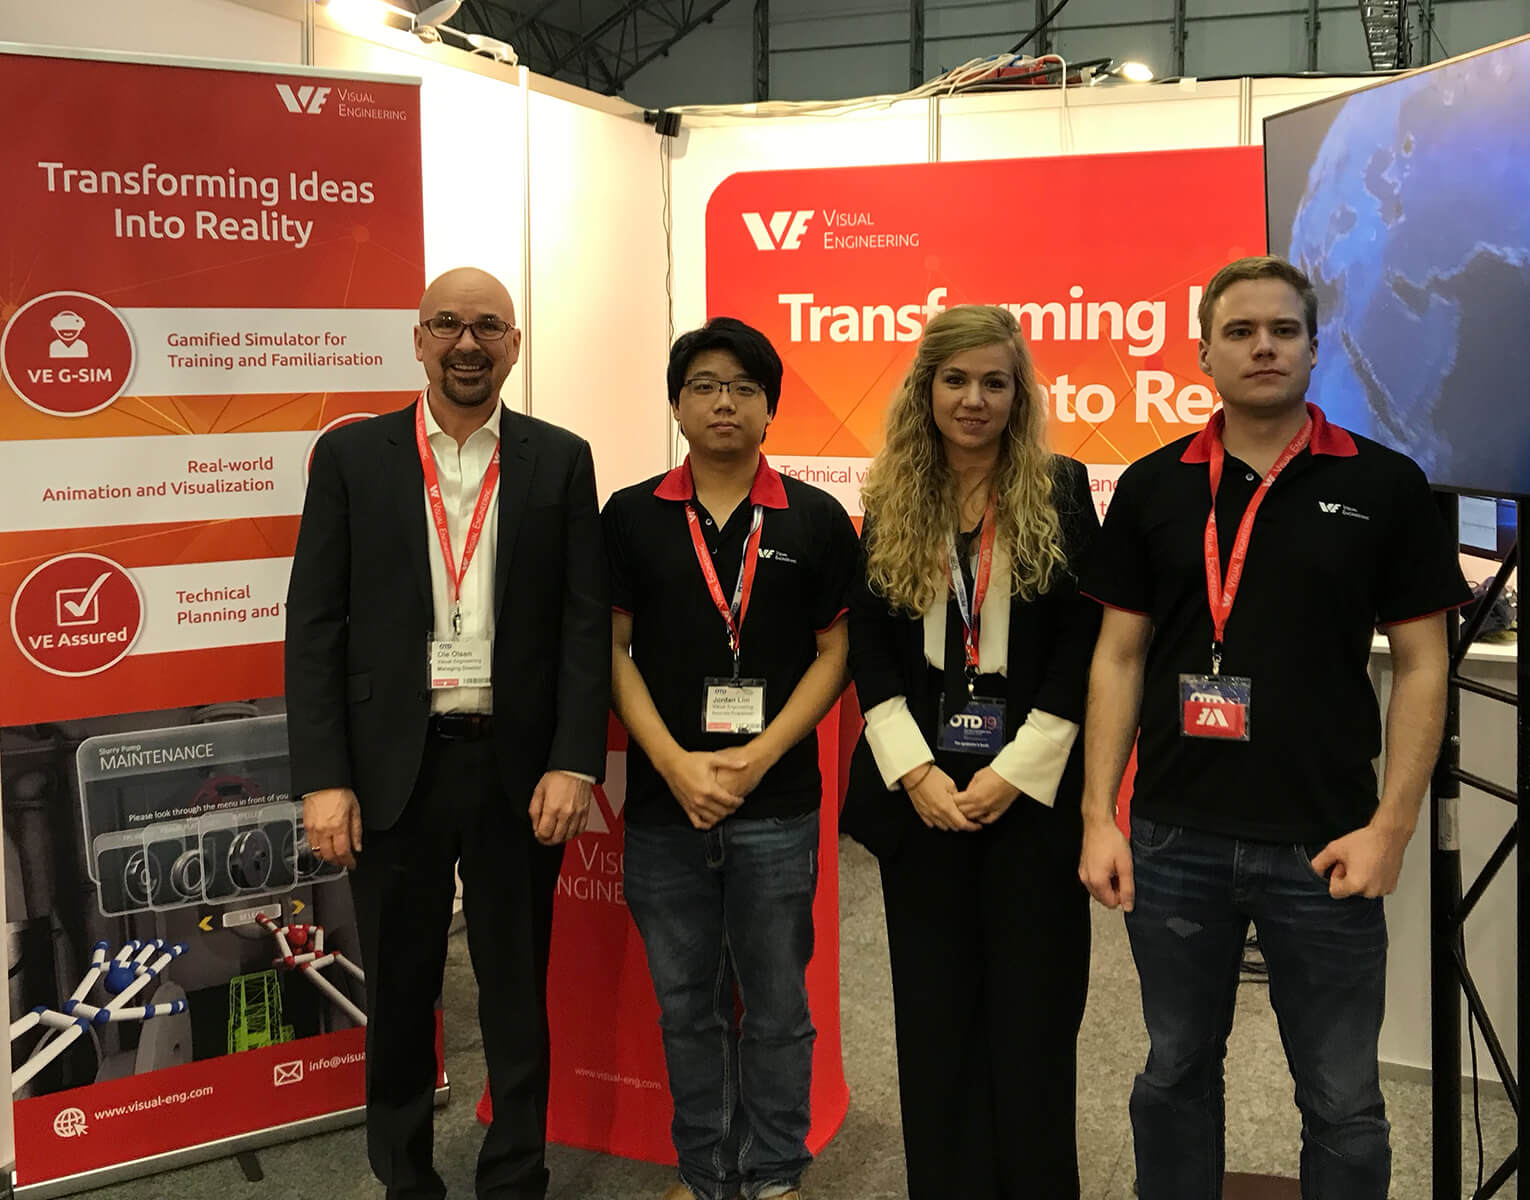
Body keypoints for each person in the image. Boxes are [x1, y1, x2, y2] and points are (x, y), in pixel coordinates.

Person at [1077, 255, 1470, 1200]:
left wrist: (1392, 826)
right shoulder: (1153, 486)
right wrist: (1099, 816)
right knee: (1173, 1071)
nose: (1264, 347)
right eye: (1242, 331)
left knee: (1342, 1098)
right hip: (1174, 836)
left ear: (1313, 347)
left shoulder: (1385, 484)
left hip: (1326, 839)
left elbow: (1423, 665)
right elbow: (1118, 659)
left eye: (1283, 331)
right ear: (1203, 353)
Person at [284, 267, 610, 1200]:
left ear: (515, 343)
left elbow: (584, 624)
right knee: (397, 994)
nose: (469, 344)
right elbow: (314, 623)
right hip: (394, 773)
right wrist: (323, 778)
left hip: (516, 769)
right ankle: (405, 1180)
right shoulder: (352, 458)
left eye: (489, 328)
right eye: (448, 326)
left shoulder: (560, 458)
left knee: (515, 993)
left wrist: (574, 760)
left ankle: (516, 1175)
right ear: (417, 339)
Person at [841, 304, 1101, 1199]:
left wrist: (1016, 771)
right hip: (923, 805)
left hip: (1027, 803)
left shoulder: (1061, 487)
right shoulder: (890, 495)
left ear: (1017, 393)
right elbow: (870, 648)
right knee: (936, 1022)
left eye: (995, 382)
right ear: (927, 390)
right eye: (956, 380)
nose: (975, 399)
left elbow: (1082, 644)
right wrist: (912, 770)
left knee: (1032, 1023)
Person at [604, 317, 857, 1200]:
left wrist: (758, 755)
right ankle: (707, 1176)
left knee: (779, 1010)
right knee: (687, 1009)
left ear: (770, 409)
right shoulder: (633, 515)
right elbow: (612, 650)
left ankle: (775, 1174)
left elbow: (836, 654)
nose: (724, 401)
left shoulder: (816, 518)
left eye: (744, 388)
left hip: (778, 803)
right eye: (706, 385)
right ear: (678, 403)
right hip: (665, 808)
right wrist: (673, 760)